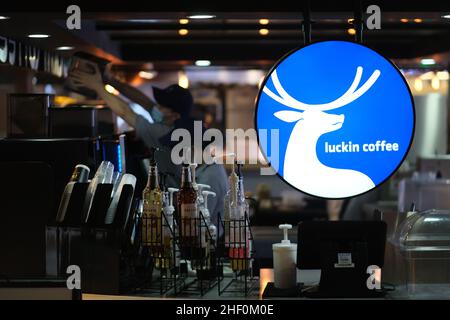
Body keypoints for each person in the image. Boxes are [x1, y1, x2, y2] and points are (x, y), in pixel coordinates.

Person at [69, 62, 228, 228]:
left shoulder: (165, 136)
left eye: (161, 106)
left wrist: (98, 86)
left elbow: (125, 111)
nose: (156, 107)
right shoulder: (176, 124)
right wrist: (110, 81)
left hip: (205, 240)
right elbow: (144, 102)